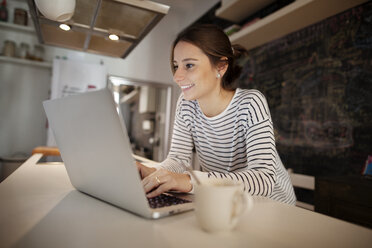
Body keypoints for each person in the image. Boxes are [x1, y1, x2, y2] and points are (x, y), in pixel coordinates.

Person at [137, 24, 296, 205]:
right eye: (176, 66)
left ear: (220, 67)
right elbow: (177, 160)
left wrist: (189, 181)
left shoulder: (250, 103)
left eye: (189, 65)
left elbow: (263, 179)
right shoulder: (186, 104)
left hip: (271, 206)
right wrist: (153, 173)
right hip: (227, 201)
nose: (177, 76)